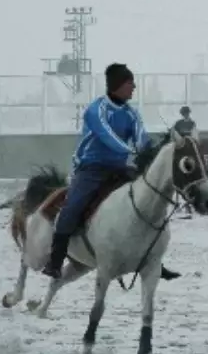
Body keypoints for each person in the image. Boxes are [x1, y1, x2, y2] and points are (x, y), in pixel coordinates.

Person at [42, 63, 180, 281]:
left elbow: (141, 138)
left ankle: (154, 261)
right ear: (117, 85)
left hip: (119, 169)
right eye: (129, 83)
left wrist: (150, 152)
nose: (134, 87)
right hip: (90, 168)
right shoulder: (96, 110)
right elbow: (108, 138)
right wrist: (132, 150)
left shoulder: (131, 114)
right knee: (72, 207)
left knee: (147, 199)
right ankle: (56, 261)